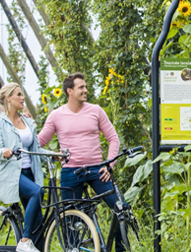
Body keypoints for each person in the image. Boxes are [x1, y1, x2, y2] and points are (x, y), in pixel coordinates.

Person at [38, 72, 125, 251]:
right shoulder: (56, 115)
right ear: (69, 91)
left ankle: (120, 249)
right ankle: (74, 248)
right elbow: (38, 142)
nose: (86, 90)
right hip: (70, 171)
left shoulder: (96, 110)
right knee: (70, 220)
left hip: (97, 170)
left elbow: (113, 139)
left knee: (120, 208)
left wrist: (109, 165)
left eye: (85, 87)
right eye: (81, 87)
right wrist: (53, 153)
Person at [0, 83, 45, 252]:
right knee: (37, 192)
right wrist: (4, 152)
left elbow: (36, 149)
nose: (23, 98)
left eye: (22, 95)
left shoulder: (27, 121)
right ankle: (25, 241)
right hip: (12, 174)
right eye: (19, 95)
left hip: (30, 173)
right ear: (9, 99)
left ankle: (34, 245)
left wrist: (55, 154)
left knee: (39, 223)